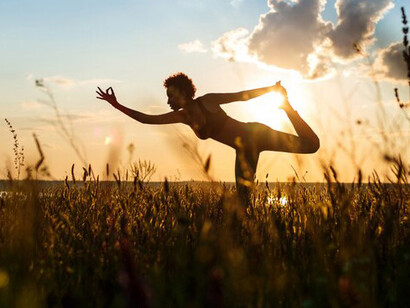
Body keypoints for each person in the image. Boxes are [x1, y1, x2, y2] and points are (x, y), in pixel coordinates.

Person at [96, 72, 319, 205]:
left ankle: (288, 109)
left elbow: (242, 97)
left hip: (257, 134)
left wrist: (271, 89)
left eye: (170, 96)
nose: (168, 101)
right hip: (244, 152)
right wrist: (116, 105)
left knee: (312, 145)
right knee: (243, 203)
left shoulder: (208, 101)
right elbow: (146, 119)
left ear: (183, 93)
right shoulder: (182, 116)